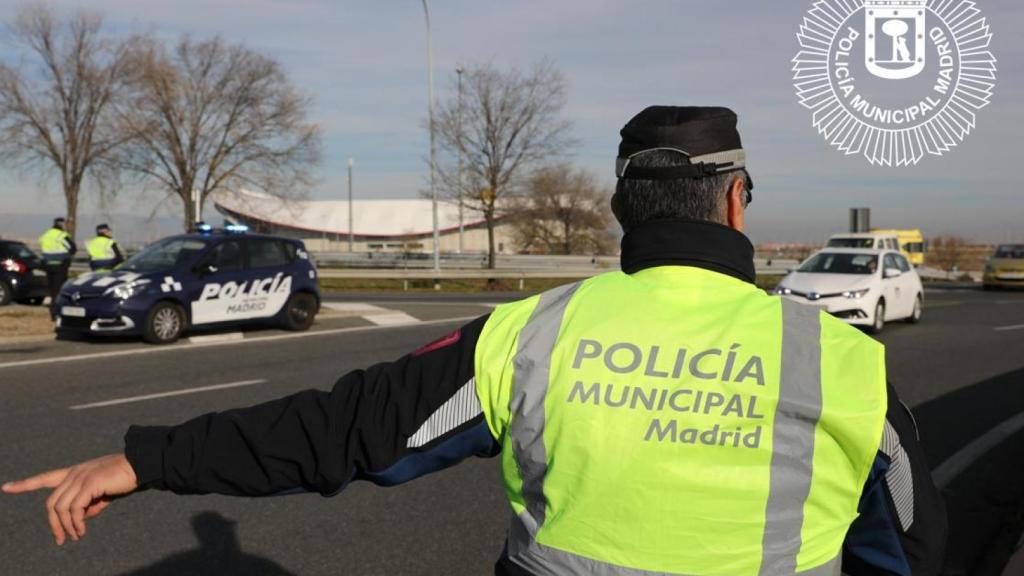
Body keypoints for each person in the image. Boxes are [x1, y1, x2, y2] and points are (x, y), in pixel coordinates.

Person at [3, 107, 946, 575]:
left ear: (622, 207)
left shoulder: (534, 333)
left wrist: (148, 459)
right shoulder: (842, 360)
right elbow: (908, 544)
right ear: (737, 200)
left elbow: (343, 430)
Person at [37, 217, 76, 313]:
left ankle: (53, 310)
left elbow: (43, 248)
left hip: (48, 266)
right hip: (60, 266)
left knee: (52, 289)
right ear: (62, 224)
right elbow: (73, 249)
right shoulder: (61, 236)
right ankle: (57, 310)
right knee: (59, 289)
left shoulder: (45, 235)